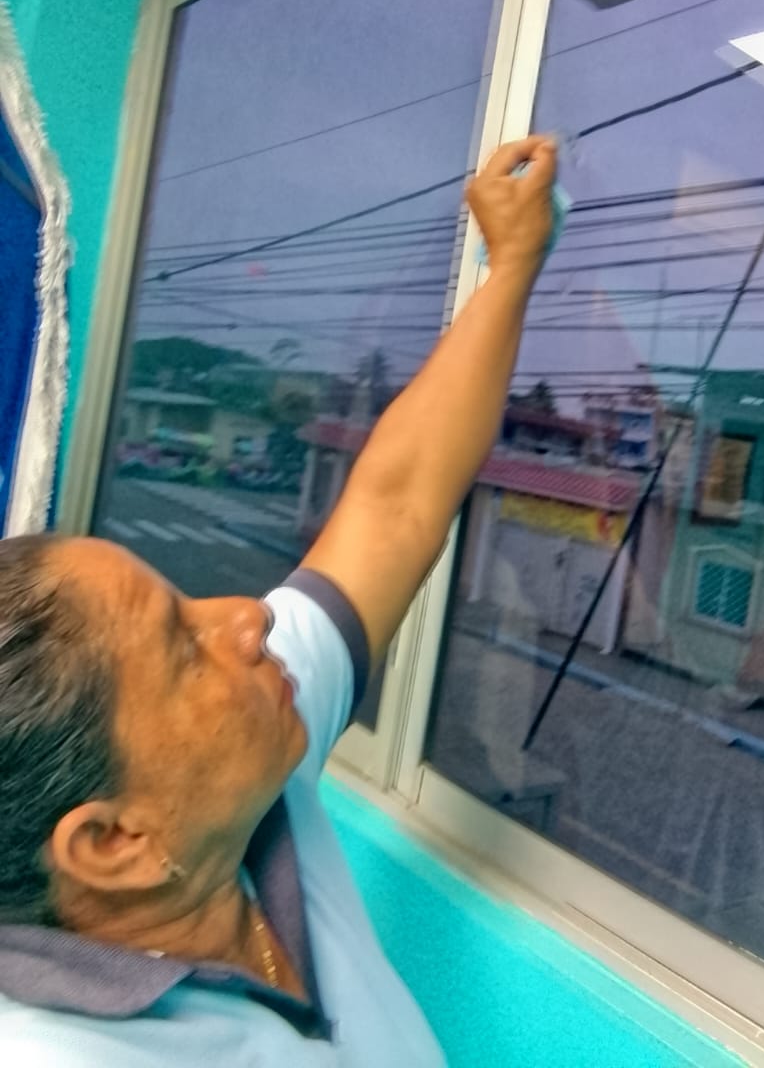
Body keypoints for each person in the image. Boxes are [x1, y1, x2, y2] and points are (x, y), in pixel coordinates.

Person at [0, 137, 557, 1066]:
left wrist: (512, 265)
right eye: (185, 648)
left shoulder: (233, 784)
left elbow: (395, 507)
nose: (248, 617)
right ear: (113, 842)